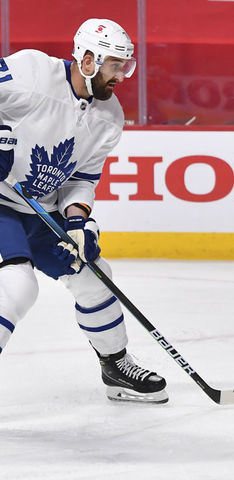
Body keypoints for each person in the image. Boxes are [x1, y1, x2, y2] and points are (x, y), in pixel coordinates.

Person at [0, 19, 168, 403]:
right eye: (114, 65)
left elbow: (81, 180)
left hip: (38, 209)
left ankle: (115, 366)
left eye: (126, 66)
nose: (121, 76)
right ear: (88, 59)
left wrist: (78, 222)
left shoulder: (108, 117)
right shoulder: (31, 72)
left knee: (95, 276)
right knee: (18, 286)